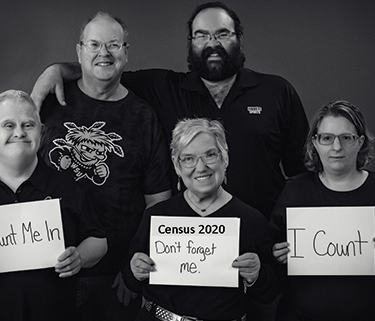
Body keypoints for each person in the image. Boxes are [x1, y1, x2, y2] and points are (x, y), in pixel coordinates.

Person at [31, 1, 309, 222]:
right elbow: (104, 70)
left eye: (222, 34)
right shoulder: (162, 87)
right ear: (190, 42)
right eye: (201, 36)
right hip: (187, 244)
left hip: (262, 238)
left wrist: (290, 230)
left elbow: (302, 176)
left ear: (239, 38)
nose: (212, 43)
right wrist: (56, 70)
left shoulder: (277, 92)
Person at [38, 12, 171, 321]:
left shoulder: (143, 117)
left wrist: (132, 267)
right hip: (46, 265)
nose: (104, 52)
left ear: (126, 52)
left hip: (113, 278)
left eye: (113, 44)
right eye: (94, 44)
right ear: (79, 51)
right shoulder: (48, 103)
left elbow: (158, 203)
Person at [124, 118, 277, 321]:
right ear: (177, 167)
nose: (201, 166)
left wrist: (257, 275)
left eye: (210, 155)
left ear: (225, 159)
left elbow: (270, 291)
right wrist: (135, 270)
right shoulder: (157, 216)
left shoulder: (251, 219)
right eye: (188, 159)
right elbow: (130, 280)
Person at [0, 89, 107, 321]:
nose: (19, 132)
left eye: (28, 125)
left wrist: (79, 256)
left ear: (42, 132)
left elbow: (99, 240)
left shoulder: (66, 186)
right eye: (8, 125)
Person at [270, 100, 375, 320]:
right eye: (327, 138)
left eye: (346, 138)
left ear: (360, 142)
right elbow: (271, 261)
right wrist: (276, 255)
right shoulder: (294, 191)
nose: (337, 147)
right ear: (315, 143)